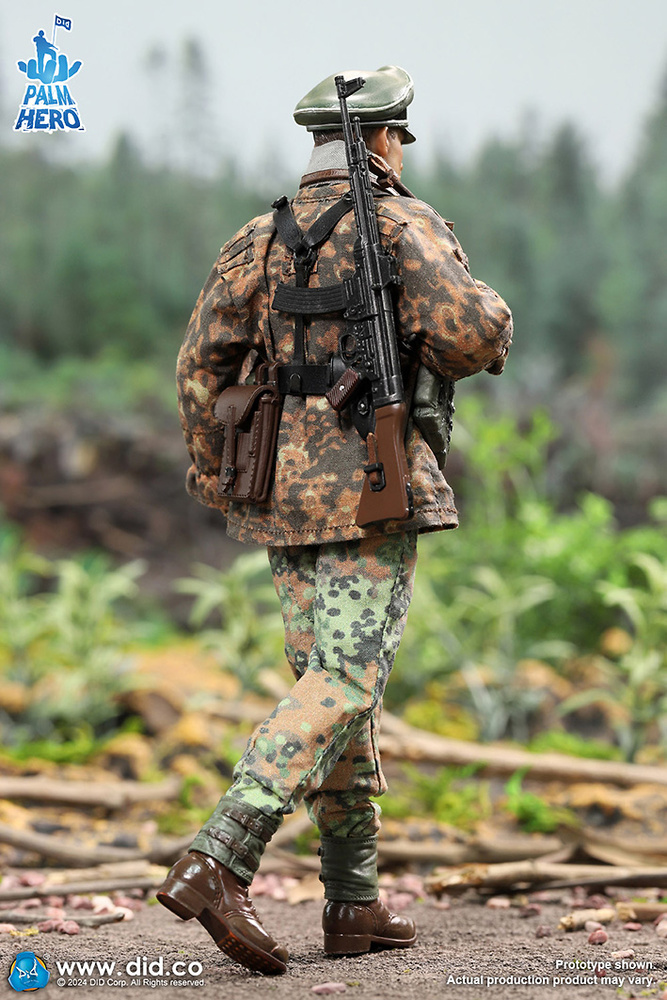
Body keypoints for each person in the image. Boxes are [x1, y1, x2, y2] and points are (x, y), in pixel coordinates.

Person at [157, 65, 512, 975]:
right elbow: (470, 335)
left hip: (283, 492)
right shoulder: (402, 223)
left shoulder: (255, 238)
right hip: (373, 475)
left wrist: (220, 477)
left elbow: (201, 365)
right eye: (399, 137)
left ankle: (351, 904)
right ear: (386, 138)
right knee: (344, 684)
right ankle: (219, 856)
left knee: (334, 688)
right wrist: (495, 312)